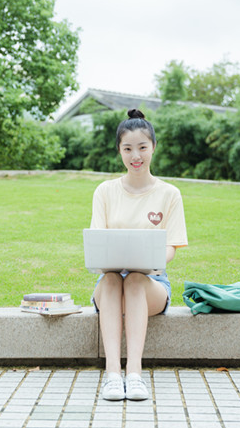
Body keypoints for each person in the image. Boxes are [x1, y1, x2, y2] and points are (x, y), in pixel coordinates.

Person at [90, 109, 188, 401]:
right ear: (119, 150)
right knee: (111, 279)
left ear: (153, 148)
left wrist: (148, 262)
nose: (136, 155)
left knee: (134, 279)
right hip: (110, 285)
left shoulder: (170, 194)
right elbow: (97, 242)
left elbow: (172, 246)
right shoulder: (105, 191)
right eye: (128, 148)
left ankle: (134, 374)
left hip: (152, 284)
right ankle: (112, 375)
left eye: (142, 147)